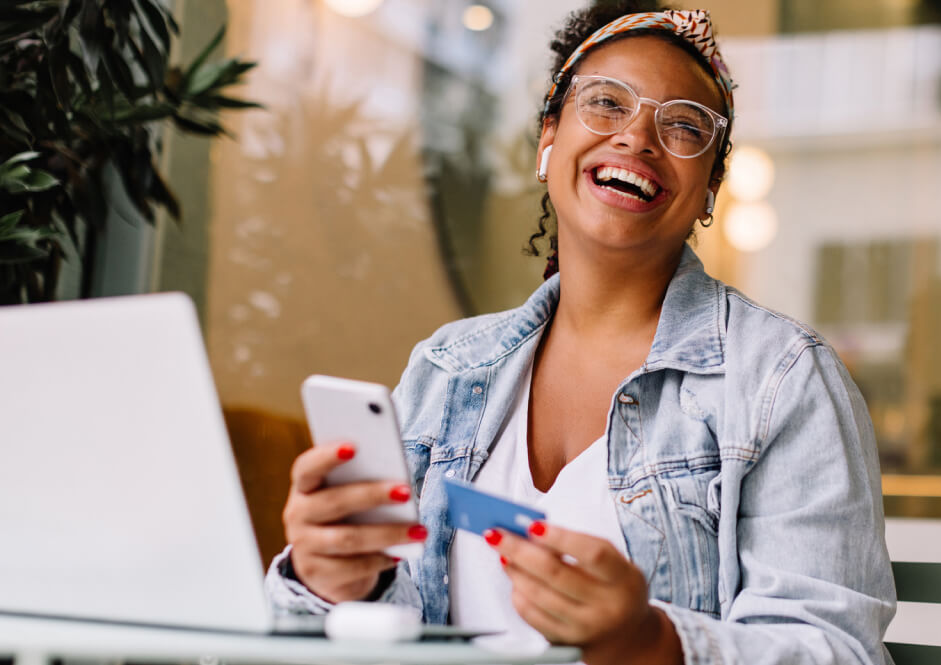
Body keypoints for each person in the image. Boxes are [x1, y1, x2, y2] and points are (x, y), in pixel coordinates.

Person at [263, 2, 897, 664]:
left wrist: (649, 642)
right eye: (605, 103)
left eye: (684, 125)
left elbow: (837, 652)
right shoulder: (446, 368)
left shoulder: (782, 379)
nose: (637, 138)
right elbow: (385, 629)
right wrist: (330, 587)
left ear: (711, 188)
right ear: (547, 139)